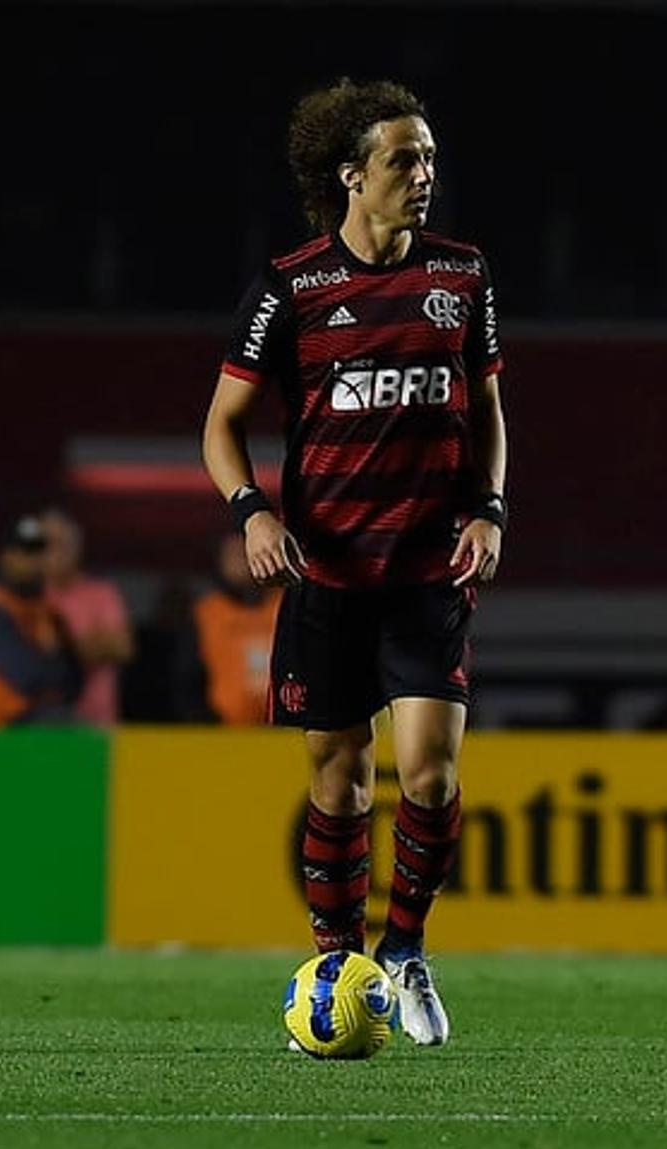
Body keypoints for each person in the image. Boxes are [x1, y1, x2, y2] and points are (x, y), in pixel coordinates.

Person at [200, 79, 507, 1047]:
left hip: (426, 572)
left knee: (430, 774)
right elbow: (220, 425)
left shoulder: (462, 276)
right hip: (327, 578)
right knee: (339, 783)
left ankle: (406, 948)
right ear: (350, 175)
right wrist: (250, 509)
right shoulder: (292, 289)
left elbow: (489, 408)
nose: (423, 177)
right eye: (401, 161)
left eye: (428, 159)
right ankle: (337, 961)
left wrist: (490, 509)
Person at [0, 516, 82, 726]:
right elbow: (25, 674)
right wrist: (57, 671)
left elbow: (76, 675)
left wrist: (60, 672)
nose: (33, 561)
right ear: (6, 557)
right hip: (0, 725)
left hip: (40, 717)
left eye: (37, 554)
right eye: (24, 553)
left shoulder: (46, 609)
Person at [176, 532, 281, 725]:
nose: (241, 562)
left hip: (286, 732)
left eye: (245, 553)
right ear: (219, 562)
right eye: (233, 556)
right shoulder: (205, 613)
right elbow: (188, 679)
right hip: (225, 733)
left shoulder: (287, 605)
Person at [42, 508, 132, 727]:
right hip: (37, 727)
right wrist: (95, 643)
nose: (57, 550)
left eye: (64, 543)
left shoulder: (102, 592)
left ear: (78, 547)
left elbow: (123, 647)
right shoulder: (26, 597)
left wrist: (60, 649)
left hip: (96, 725)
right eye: (49, 543)